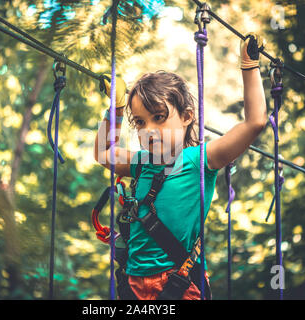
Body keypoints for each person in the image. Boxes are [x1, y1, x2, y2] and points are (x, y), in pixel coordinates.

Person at [93, 33, 267, 300]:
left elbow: (254, 123)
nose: (148, 129)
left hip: (179, 285)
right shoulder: (141, 163)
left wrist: (249, 65)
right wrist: (115, 110)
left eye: (159, 118)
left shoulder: (199, 160)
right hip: (132, 285)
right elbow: (103, 153)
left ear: (186, 117)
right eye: (139, 122)